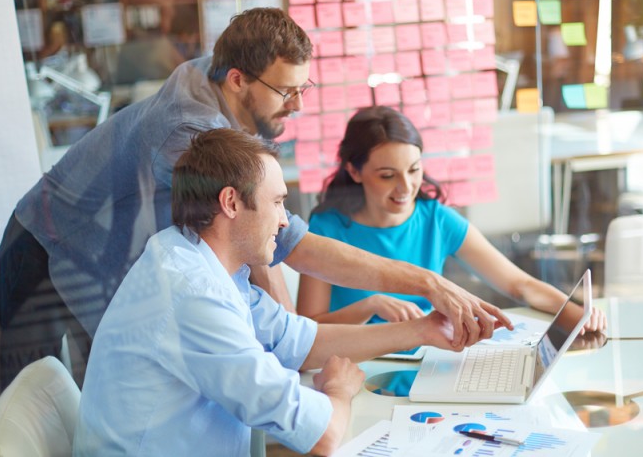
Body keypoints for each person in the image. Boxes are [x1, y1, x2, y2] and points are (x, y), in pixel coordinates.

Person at [0, 8, 510, 388]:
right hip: (49, 245)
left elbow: (269, 233)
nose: (299, 105)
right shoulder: (188, 131)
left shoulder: (224, 79)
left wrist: (291, 343)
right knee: (55, 402)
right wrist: (426, 281)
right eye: (288, 92)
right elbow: (282, 241)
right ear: (238, 79)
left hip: (106, 243)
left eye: (304, 88)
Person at [73, 128, 461, 456]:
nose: (283, 220)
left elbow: (300, 341)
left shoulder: (196, 259)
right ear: (230, 202)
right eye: (277, 202)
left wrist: (423, 331)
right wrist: (339, 392)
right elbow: (321, 436)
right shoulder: (192, 293)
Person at [296, 106, 606, 333]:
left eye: (414, 170)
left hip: (430, 360)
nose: (406, 188)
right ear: (354, 171)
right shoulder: (327, 229)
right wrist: (370, 305)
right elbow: (307, 329)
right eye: (387, 175)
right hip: (360, 368)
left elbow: (519, 284)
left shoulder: (436, 219)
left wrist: (578, 314)